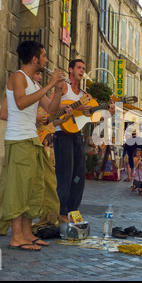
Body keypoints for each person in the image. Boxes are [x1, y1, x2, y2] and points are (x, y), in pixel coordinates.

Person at [0, 41, 65, 251]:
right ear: (35, 59)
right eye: (44, 56)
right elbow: (20, 103)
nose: (47, 60)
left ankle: (27, 234)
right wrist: (49, 84)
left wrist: (58, 91)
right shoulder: (17, 76)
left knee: (33, 190)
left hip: (32, 141)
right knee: (18, 190)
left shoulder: (36, 84)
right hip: (18, 140)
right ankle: (16, 237)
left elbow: (51, 110)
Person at [50, 59, 114, 223]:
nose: (82, 70)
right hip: (62, 133)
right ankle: (62, 212)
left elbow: (94, 118)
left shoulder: (85, 95)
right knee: (65, 174)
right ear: (70, 70)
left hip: (77, 134)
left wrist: (109, 112)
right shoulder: (63, 87)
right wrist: (77, 107)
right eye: (79, 67)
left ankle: (73, 211)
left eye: (84, 68)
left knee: (79, 175)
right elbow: (52, 105)